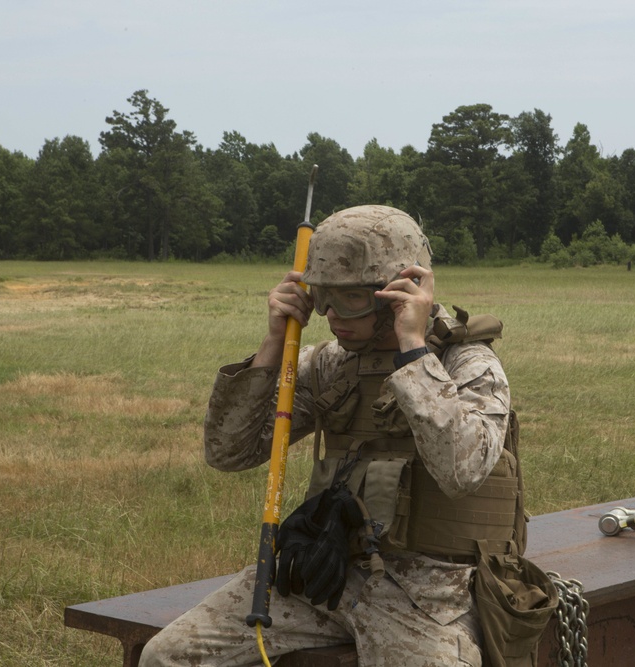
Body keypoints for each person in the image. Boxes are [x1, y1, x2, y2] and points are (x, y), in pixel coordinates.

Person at [140, 205, 521, 666]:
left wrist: (413, 353)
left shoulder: (467, 364)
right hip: (327, 571)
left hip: (432, 593)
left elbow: (463, 471)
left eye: (354, 298)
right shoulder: (330, 364)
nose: (334, 316)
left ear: (404, 290)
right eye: (322, 297)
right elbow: (230, 451)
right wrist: (274, 344)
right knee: (168, 657)